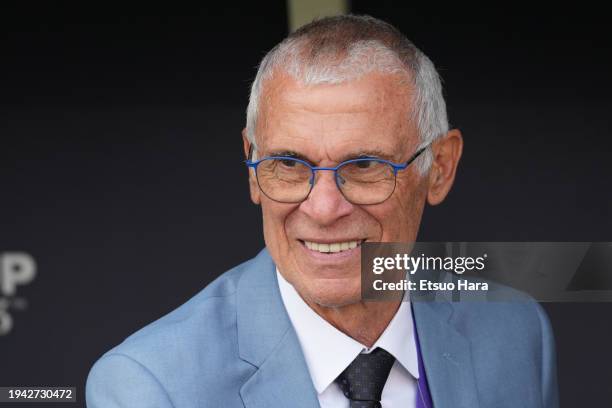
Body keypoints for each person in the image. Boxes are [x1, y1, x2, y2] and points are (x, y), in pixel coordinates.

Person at [86, 15, 559, 408]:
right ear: (253, 169)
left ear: (440, 168)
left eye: (366, 165)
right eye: (289, 164)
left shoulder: (516, 333)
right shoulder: (149, 387)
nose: (324, 208)